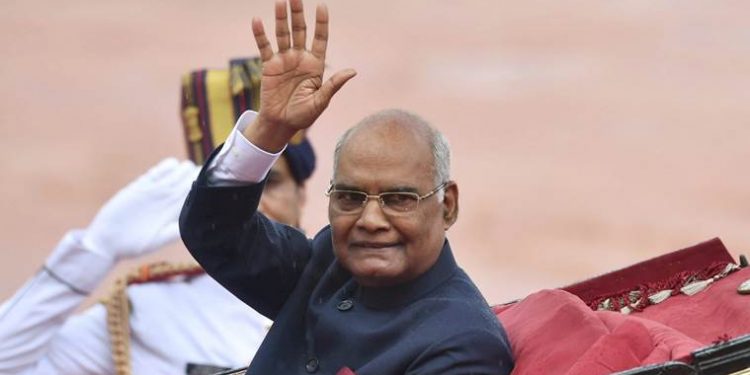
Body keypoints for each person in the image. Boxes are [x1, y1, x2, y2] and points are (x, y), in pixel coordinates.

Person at [179, 0, 514, 373]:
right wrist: (270, 132)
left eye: (398, 199)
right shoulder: (327, 265)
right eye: (350, 198)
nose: (370, 219)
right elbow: (216, 234)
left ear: (447, 205)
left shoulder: (463, 342)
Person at [0, 60, 318, 374]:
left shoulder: (347, 290)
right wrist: (94, 250)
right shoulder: (147, 312)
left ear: (301, 194)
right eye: (237, 191)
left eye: (271, 183)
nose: (250, 207)